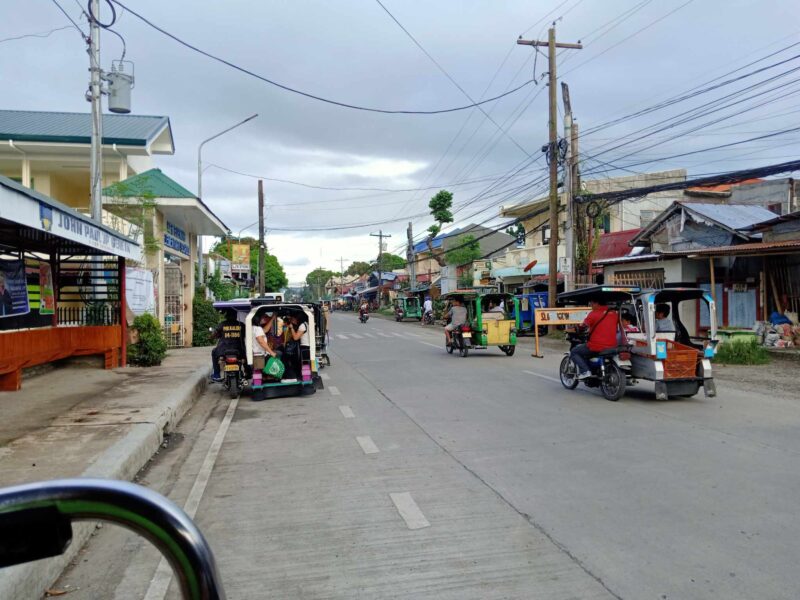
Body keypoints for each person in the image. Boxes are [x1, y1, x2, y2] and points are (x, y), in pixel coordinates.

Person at [570, 299, 619, 380]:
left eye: (591, 303)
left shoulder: (593, 314)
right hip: (612, 345)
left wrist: (577, 328)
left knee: (574, 352)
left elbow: (583, 326)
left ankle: (585, 371)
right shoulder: (614, 314)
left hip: (596, 346)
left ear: (596, 303)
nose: (591, 305)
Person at [210, 309, 245, 383]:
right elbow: (246, 335)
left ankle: (216, 374)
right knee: (247, 353)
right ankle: (248, 371)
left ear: (226, 316)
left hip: (223, 350)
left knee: (214, 352)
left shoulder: (221, 324)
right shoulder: (241, 325)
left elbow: (214, 335)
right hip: (239, 349)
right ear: (236, 316)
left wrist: (212, 336)